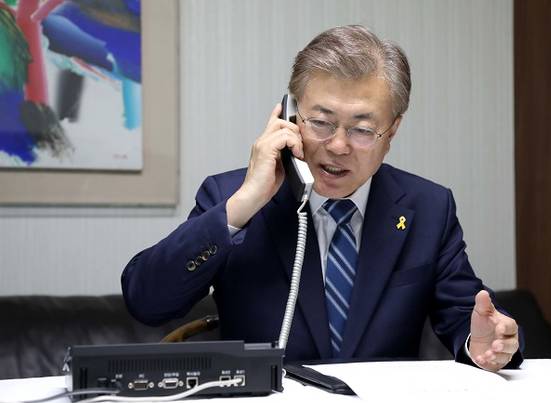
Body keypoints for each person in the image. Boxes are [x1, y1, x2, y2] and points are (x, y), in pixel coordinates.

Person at [122, 25, 522, 371]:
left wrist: (484, 343)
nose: (338, 146)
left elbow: (465, 315)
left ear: (393, 130)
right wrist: (242, 207)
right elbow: (147, 302)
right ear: (290, 116)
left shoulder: (428, 207)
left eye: (362, 130)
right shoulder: (229, 197)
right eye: (320, 122)